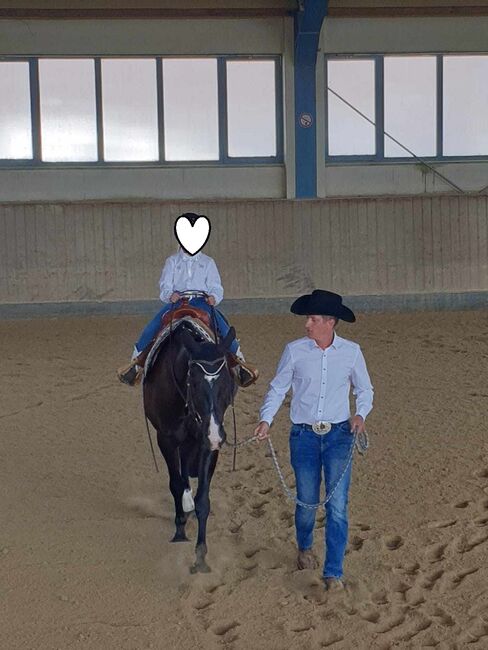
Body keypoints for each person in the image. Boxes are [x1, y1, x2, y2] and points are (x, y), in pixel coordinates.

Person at [254, 289, 373, 591]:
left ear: (331, 322)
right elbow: (278, 388)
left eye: (313, 319)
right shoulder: (294, 351)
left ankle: (333, 572)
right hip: (303, 436)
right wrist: (266, 419)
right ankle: (304, 546)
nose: (307, 324)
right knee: (306, 502)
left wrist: (360, 415)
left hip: (340, 436)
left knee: (338, 506)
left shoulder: (351, 352)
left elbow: (365, 390)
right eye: (308, 318)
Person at [117, 213, 258, 387]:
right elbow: (164, 285)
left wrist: (214, 297)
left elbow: (215, 285)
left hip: (202, 302)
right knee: (153, 326)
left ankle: (239, 364)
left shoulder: (208, 262)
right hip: (178, 301)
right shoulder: (172, 262)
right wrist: (170, 295)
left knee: (223, 327)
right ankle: (135, 364)